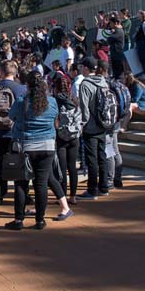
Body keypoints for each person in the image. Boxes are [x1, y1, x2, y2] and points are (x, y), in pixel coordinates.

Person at [4, 72, 73, 230]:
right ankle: (40, 220)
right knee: (41, 184)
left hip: (25, 147)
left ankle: (18, 220)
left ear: (27, 86)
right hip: (47, 146)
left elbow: (12, 117)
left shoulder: (21, 102)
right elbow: (55, 117)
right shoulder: (52, 102)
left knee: (21, 184)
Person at [0, 60, 26, 206]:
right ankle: (22, 195)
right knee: (20, 163)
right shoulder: (21, 89)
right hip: (16, 133)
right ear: (15, 72)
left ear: (1, 72)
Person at [77, 58, 111, 200]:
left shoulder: (85, 84)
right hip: (103, 124)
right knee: (102, 156)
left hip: (90, 126)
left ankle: (92, 189)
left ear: (86, 68)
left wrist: (82, 125)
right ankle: (103, 187)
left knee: (92, 159)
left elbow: (84, 108)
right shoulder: (103, 81)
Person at [54, 76, 81, 204]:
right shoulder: (74, 100)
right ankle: (73, 196)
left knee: (62, 168)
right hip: (74, 136)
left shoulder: (55, 101)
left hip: (61, 137)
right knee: (72, 167)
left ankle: (63, 195)